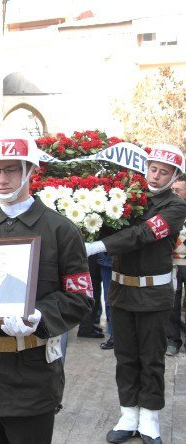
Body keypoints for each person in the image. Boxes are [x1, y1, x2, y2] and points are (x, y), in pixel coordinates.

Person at [0, 131, 94, 444]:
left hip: (32, 377)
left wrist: (41, 316)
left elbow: (80, 296)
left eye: (11, 169)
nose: (1, 179)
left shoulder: (60, 231)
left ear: (30, 171)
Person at [85, 144, 186, 444]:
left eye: (163, 172)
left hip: (154, 295)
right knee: (125, 356)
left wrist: (100, 247)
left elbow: (143, 234)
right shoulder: (129, 196)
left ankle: (150, 417)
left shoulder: (176, 206)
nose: (155, 176)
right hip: (120, 291)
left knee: (151, 358)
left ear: (174, 175)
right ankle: (128, 413)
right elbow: (107, 223)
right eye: (152, 169)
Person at [168, 173, 186, 356]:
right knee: (172, 303)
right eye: (172, 189)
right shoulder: (169, 209)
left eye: (178, 190)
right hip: (172, 263)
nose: (174, 192)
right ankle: (173, 340)